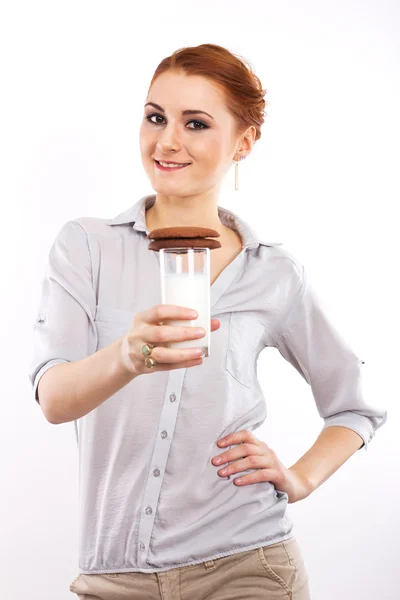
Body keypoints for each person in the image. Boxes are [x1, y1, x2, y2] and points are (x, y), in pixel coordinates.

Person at [29, 43, 387, 600]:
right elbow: (53, 399)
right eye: (155, 117)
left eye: (196, 123)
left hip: (249, 566)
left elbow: (355, 405)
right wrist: (128, 355)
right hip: (114, 576)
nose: (167, 140)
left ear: (243, 142)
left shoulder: (275, 273)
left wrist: (298, 479)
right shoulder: (86, 247)